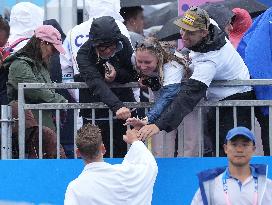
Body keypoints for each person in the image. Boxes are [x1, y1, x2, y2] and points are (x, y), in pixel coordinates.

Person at [137, 6, 254, 156]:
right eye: (182, 29)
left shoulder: (209, 62)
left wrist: (158, 125)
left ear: (204, 33)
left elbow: (186, 98)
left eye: (190, 32)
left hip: (237, 103)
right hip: (220, 101)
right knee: (218, 151)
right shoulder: (210, 24)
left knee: (233, 153)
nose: (184, 36)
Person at [76, 16, 137, 157]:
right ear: (94, 44)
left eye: (112, 46)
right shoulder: (83, 54)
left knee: (127, 156)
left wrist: (117, 75)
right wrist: (117, 106)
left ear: (117, 41)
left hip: (124, 110)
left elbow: (132, 73)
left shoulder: (124, 43)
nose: (108, 51)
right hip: (96, 114)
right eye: (102, 48)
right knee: (98, 157)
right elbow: (95, 83)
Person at [3, 25, 67, 158]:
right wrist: (62, 101)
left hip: (43, 129)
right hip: (28, 132)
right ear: (43, 43)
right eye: (53, 49)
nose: (53, 53)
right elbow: (37, 90)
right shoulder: (19, 64)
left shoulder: (40, 65)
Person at [125, 37, 191, 157]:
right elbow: (135, 71)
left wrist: (147, 119)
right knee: (160, 145)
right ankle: (159, 169)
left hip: (186, 100)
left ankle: (188, 172)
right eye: (140, 62)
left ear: (158, 58)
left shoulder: (173, 65)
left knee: (189, 143)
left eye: (147, 62)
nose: (143, 66)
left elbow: (168, 97)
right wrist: (144, 78)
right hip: (160, 96)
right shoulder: (135, 57)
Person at [64, 124, 158, 205]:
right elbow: (150, 165)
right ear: (103, 149)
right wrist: (135, 142)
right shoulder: (127, 174)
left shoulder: (75, 188)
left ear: (78, 153)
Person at [191, 127, 272, 205]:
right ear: (225, 148)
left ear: (253, 149)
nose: (239, 150)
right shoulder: (210, 186)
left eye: (245, 145)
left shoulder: (267, 186)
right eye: (234, 145)